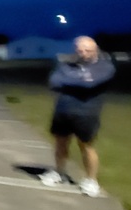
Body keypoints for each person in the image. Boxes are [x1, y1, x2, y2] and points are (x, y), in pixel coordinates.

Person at [39, 36, 116, 197]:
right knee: (60, 144)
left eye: (87, 50)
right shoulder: (66, 64)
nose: (83, 53)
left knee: (86, 147)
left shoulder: (105, 67)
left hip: (87, 112)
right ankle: (59, 173)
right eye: (80, 50)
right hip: (63, 110)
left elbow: (90, 84)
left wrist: (68, 80)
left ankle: (91, 180)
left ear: (95, 50)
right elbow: (54, 81)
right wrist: (79, 79)